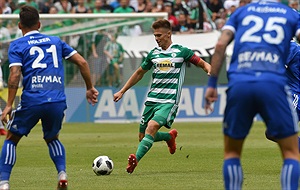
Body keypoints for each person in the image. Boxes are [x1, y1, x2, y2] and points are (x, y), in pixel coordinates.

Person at [0, 6, 99, 190]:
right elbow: (83, 62)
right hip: (57, 100)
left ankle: (4, 183)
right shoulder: (56, 41)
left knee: (11, 139)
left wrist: (8, 105)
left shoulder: (17, 45)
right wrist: (89, 87)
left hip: (32, 99)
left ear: (20, 25)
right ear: (39, 24)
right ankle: (62, 173)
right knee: (52, 138)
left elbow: (14, 74)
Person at [204, 1, 300, 190]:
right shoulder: (289, 14)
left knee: (232, 152)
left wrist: (212, 84)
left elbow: (221, 44)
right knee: (289, 151)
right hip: (273, 86)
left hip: (240, 83)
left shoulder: (241, 12)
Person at [114, 19, 211, 174]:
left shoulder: (181, 51)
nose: (157, 38)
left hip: (169, 101)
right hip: (152, 99)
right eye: (155, 35)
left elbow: (202, 63)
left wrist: (208, 69)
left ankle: (135, 161)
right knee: (142, 137)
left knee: (151, 127)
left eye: (159, 35)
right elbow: (139, 73)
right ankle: (168, 137)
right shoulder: (154, 53)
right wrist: (122, 91)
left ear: (168, 34)